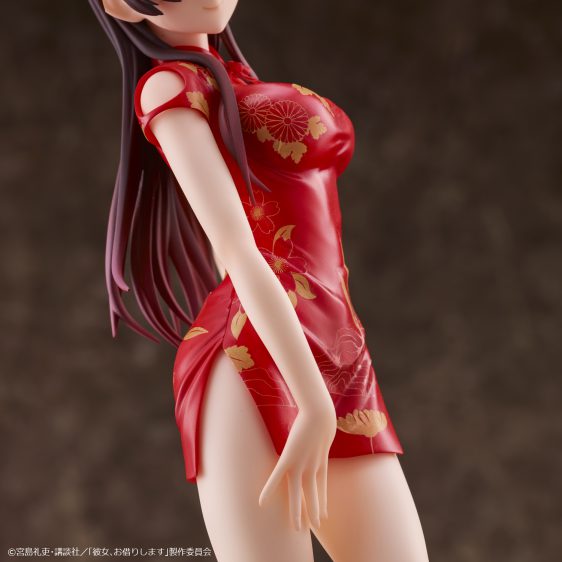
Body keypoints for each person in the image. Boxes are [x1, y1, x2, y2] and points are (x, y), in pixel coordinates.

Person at [89, 1, 430, 560]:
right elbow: (234, 245)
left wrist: (321, 395)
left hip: (336, 347)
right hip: (250, 353)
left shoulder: (232, 79)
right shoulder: (169, 87)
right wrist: (312, 402)